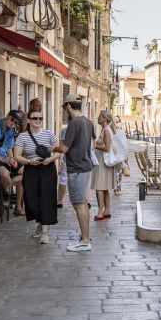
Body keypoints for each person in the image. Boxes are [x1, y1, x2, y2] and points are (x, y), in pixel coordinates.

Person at [55, 100, 96, 252]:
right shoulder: (88, 122)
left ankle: (85, 241)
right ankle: (85, 238)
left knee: (78, 204)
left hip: (76, 168)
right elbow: (90, 144)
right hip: (85, 167)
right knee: (83, 203)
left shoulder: (73, 123)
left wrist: (52, 148)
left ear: (68, 107)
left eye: (65, 108)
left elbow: (65, 148)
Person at [14, 108, 59, 245]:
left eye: (40, 118)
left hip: (47, 169)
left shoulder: (48, 134)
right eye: (35, 118)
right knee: (32, 200)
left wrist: (51, 160)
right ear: (29, 120)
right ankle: (40, 221)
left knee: (46, 199)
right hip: (31, 169)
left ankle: (45, 232)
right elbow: (17, 155)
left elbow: (58, 151)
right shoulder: (23, 136)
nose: (38, 120)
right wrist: (28, 161)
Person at [92, 110, 116, 221]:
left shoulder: (106, 130)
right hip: (102, 161)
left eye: (100, 116)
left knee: (99, 187)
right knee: (105, 188)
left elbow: (107, 147)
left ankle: (100, 212)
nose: (98, 118)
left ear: (105, 118)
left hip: (103, 161)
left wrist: (94, 146)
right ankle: (107, 211)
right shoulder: (105, 129)